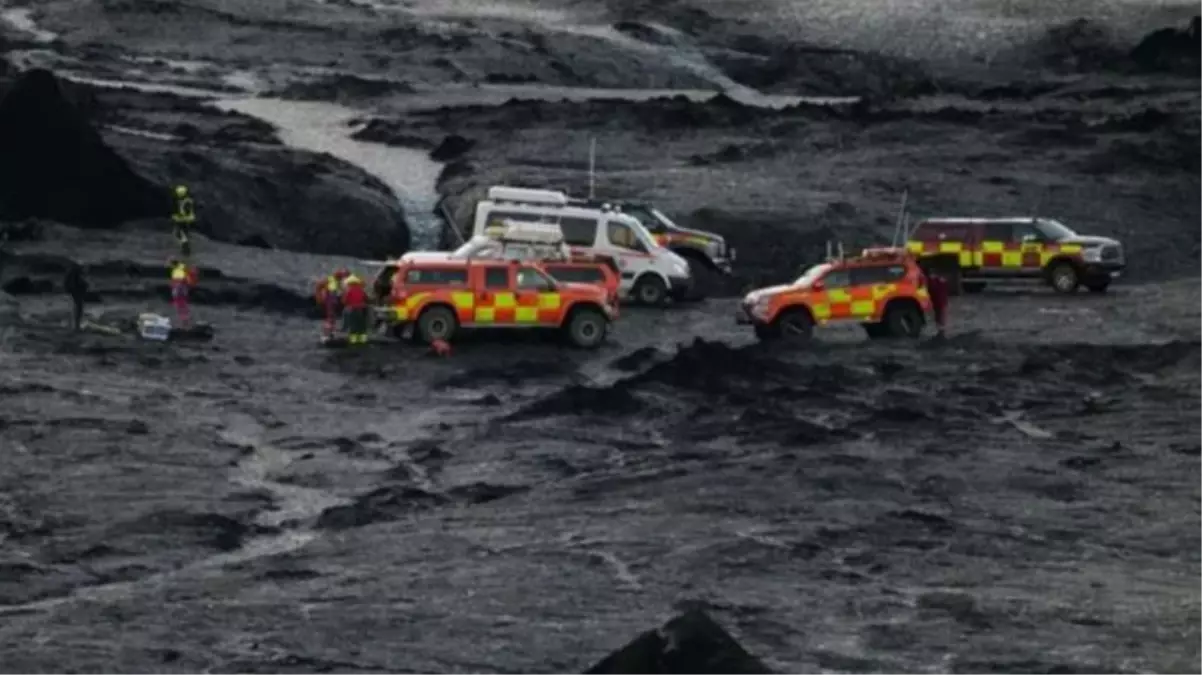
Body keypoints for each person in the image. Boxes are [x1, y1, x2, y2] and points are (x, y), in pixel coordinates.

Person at [316, 268, 348, 338]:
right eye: (342, 276)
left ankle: (330, 332)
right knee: (330, 317)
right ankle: (328, 333)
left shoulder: (337, 281)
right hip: (329, 301)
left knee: (332, 318)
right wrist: (319, 298)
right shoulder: (331, 280)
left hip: (333, 301)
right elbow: (320, 286)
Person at [341, 272, 369, 345]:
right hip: (362, 310)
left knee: (353, 326)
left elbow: (344, 301)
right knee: (362, 326)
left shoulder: (349, 291)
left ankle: (353, 341)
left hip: (352, 310)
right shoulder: (361, 290)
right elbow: (366, 299)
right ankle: (363, 340)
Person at [169, 258, 197, 328]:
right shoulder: (182, 267)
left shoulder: (178, 271)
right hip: (182, 292)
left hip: (179, 292)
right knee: (183, 307)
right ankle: (185, 320)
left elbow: (180, 281)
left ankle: (185, 321)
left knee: (181, 307)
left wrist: (176, 287)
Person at [171, 185, 195, 258]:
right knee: (179, 234)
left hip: (184, 220)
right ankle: (185, 247)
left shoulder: (186, 202)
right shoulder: (183, 201)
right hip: (184, 219)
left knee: (181, 234)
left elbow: (186, 213)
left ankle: (186, 249)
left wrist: (178, 218)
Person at [63, 263, 88, 331]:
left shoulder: (72, 273)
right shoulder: (75, 273)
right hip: (77, 292)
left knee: (77, 307)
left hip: (75, 292)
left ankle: (76, 325)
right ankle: (77, 325)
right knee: (78, 308)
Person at [926, 269, 949, 338]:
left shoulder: (933, 281)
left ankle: (941, 332)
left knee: (940, 316)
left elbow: (931, 289)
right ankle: (941, 332)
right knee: (939, 316)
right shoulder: (938, 280)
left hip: (940, 302)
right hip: (939, 302)